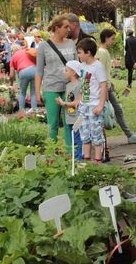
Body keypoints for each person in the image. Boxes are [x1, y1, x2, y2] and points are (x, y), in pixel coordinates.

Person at [96, 29, 136, 148]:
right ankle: (128, 135)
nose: (113, 42)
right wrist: (106, 88)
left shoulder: (103, 51)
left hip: (106, 85)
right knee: (116, 110)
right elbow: (100, 71)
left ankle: (128, 135)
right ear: (106, 38)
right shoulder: (102, 52)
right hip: (105, 87)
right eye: (112, 39)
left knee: (116, 110)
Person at [35, 15, 77, 143]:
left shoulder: (71, 43)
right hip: (51, 88)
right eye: (65, 27)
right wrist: (37, 91)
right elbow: (39, 70)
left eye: (69, 27)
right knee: (52, 124)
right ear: (56, 28)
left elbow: (77, 66)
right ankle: (51, 154)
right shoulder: (43, 46)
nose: (68, 30)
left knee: (69, 121)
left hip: (70, 88)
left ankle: (71, 154)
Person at [77, 38, 108, 162]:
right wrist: (79, 101)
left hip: (94, 105)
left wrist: (100, 105)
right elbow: (82, 85)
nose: (78, 55)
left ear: (88, 52)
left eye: (80, 53)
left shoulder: (98, 66)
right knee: (84, 134)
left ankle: (98, 162)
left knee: (96, 134)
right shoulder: (82, 66)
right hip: (83, 105)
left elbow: (104, 86)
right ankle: (87, 161)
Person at [56, 60, 83, 160]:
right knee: (74, 138)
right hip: (70, 116)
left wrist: (64, 103)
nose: (64, 72)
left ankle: (79, 157)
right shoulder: (68, 86)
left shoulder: (79, 85)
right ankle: (76, 156)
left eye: (66, 70)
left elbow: (77, 102)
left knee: (78, 138)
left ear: (74, 72)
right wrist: (62, 102)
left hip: (77, 117)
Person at [10, 44, 37, 114]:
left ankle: (21, 112)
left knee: (22, 93)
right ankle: (35, 112)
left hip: (23, 72)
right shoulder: (26, 51)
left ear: (12, 51)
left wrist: (11, 84)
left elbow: (11, 75)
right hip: (35, 70)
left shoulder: (13, 57)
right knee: (33, 93)